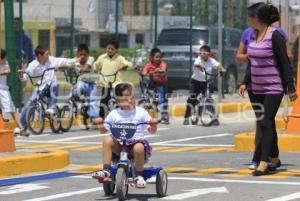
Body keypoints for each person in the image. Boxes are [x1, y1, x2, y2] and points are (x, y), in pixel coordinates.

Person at [238, 2, 297, 176]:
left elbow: (284, 62)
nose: (249, 19)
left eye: (251, 16)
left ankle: (263, 162)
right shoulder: (253, 35)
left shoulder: (274, 36)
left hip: (273, 86)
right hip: (255, 88)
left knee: (264, 122)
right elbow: (252, 62)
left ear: (258, 18)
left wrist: (290, 86)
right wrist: (244, 81)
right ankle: (274, 158)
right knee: (266, 122)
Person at [91, 83, 159, 188]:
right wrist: (100, 123)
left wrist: (153, 124)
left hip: (135, 145)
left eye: (132, 97)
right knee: (107, 140)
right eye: (126, 98)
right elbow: (104, 129)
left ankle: (139, 175)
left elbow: (151, 131)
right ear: (118, 101)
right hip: (119, 145)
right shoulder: (114, 113)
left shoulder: (141, 112)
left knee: (139, 147)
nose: (130, 100)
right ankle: (106, 170)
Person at [18, 45, 77, 136]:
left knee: (55, 83)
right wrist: (21, 75)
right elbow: (25, 77)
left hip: (51, 86)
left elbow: (65, 61)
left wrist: (76, 60)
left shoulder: (51, 60)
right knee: (28, 105)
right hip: (40, 87)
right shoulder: (33, 65)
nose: (48, 56)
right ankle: (21, 127)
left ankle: (52, 108)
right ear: (40, 56)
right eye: (46, 54)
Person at [183, 45, 226, 125]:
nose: (202, 54)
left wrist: (222, 69)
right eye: (201, 53)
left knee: (208, 98)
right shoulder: (198, 59)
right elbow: (196, 64)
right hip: (195, 82)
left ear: (208, 54)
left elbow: (218, 65)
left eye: (204, 53)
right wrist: (200, 66)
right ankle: (186, 117)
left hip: (205, 82)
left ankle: (214, 118)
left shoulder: (211, 60)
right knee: (192, 99)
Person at [93, 39, 133, 118]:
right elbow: (95, 65)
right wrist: (94, 70)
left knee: (118, 99)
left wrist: (123, 66)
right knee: (104, 100)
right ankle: (102, 118)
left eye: (112, 49)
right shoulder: (102, 57)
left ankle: (121, 115)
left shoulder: (119, 58)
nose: (110, 50)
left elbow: (129, 64)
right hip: (105, 81)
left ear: (116, 50)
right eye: (108, 48)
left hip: (116, 82)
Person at [72, 43, 101, 124]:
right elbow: (69, 65)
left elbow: (86, 67)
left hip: (92, 83)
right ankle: (75, 95)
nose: (82, 56)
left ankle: (94, 118)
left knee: (93, 100)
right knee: (79, 88)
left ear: (88, 54)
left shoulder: (90, 59)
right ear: (77, 54)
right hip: (82, 81)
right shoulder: (75, 60)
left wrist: (83, 68)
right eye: (80, 54)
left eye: (84, 54)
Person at [140, 48, 170, 124]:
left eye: (160, 57)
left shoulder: (162, 64)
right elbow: (144, 72)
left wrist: (159, 71)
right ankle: (145, 96)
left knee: (162, 100)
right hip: (152, 83)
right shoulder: (148, 65)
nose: (158, 58)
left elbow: (163, 69)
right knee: (143, 79)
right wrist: (142, 72)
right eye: (156, 57)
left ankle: (165, 118)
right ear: (152, 58)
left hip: (161, 84)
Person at [0, 49, 24, 135]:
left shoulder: (5, 62)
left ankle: (21, 128)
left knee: (11, 107)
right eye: (4, 58)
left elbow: (8, 71)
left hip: (3, 89)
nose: (6, 59)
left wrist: (1, 73)